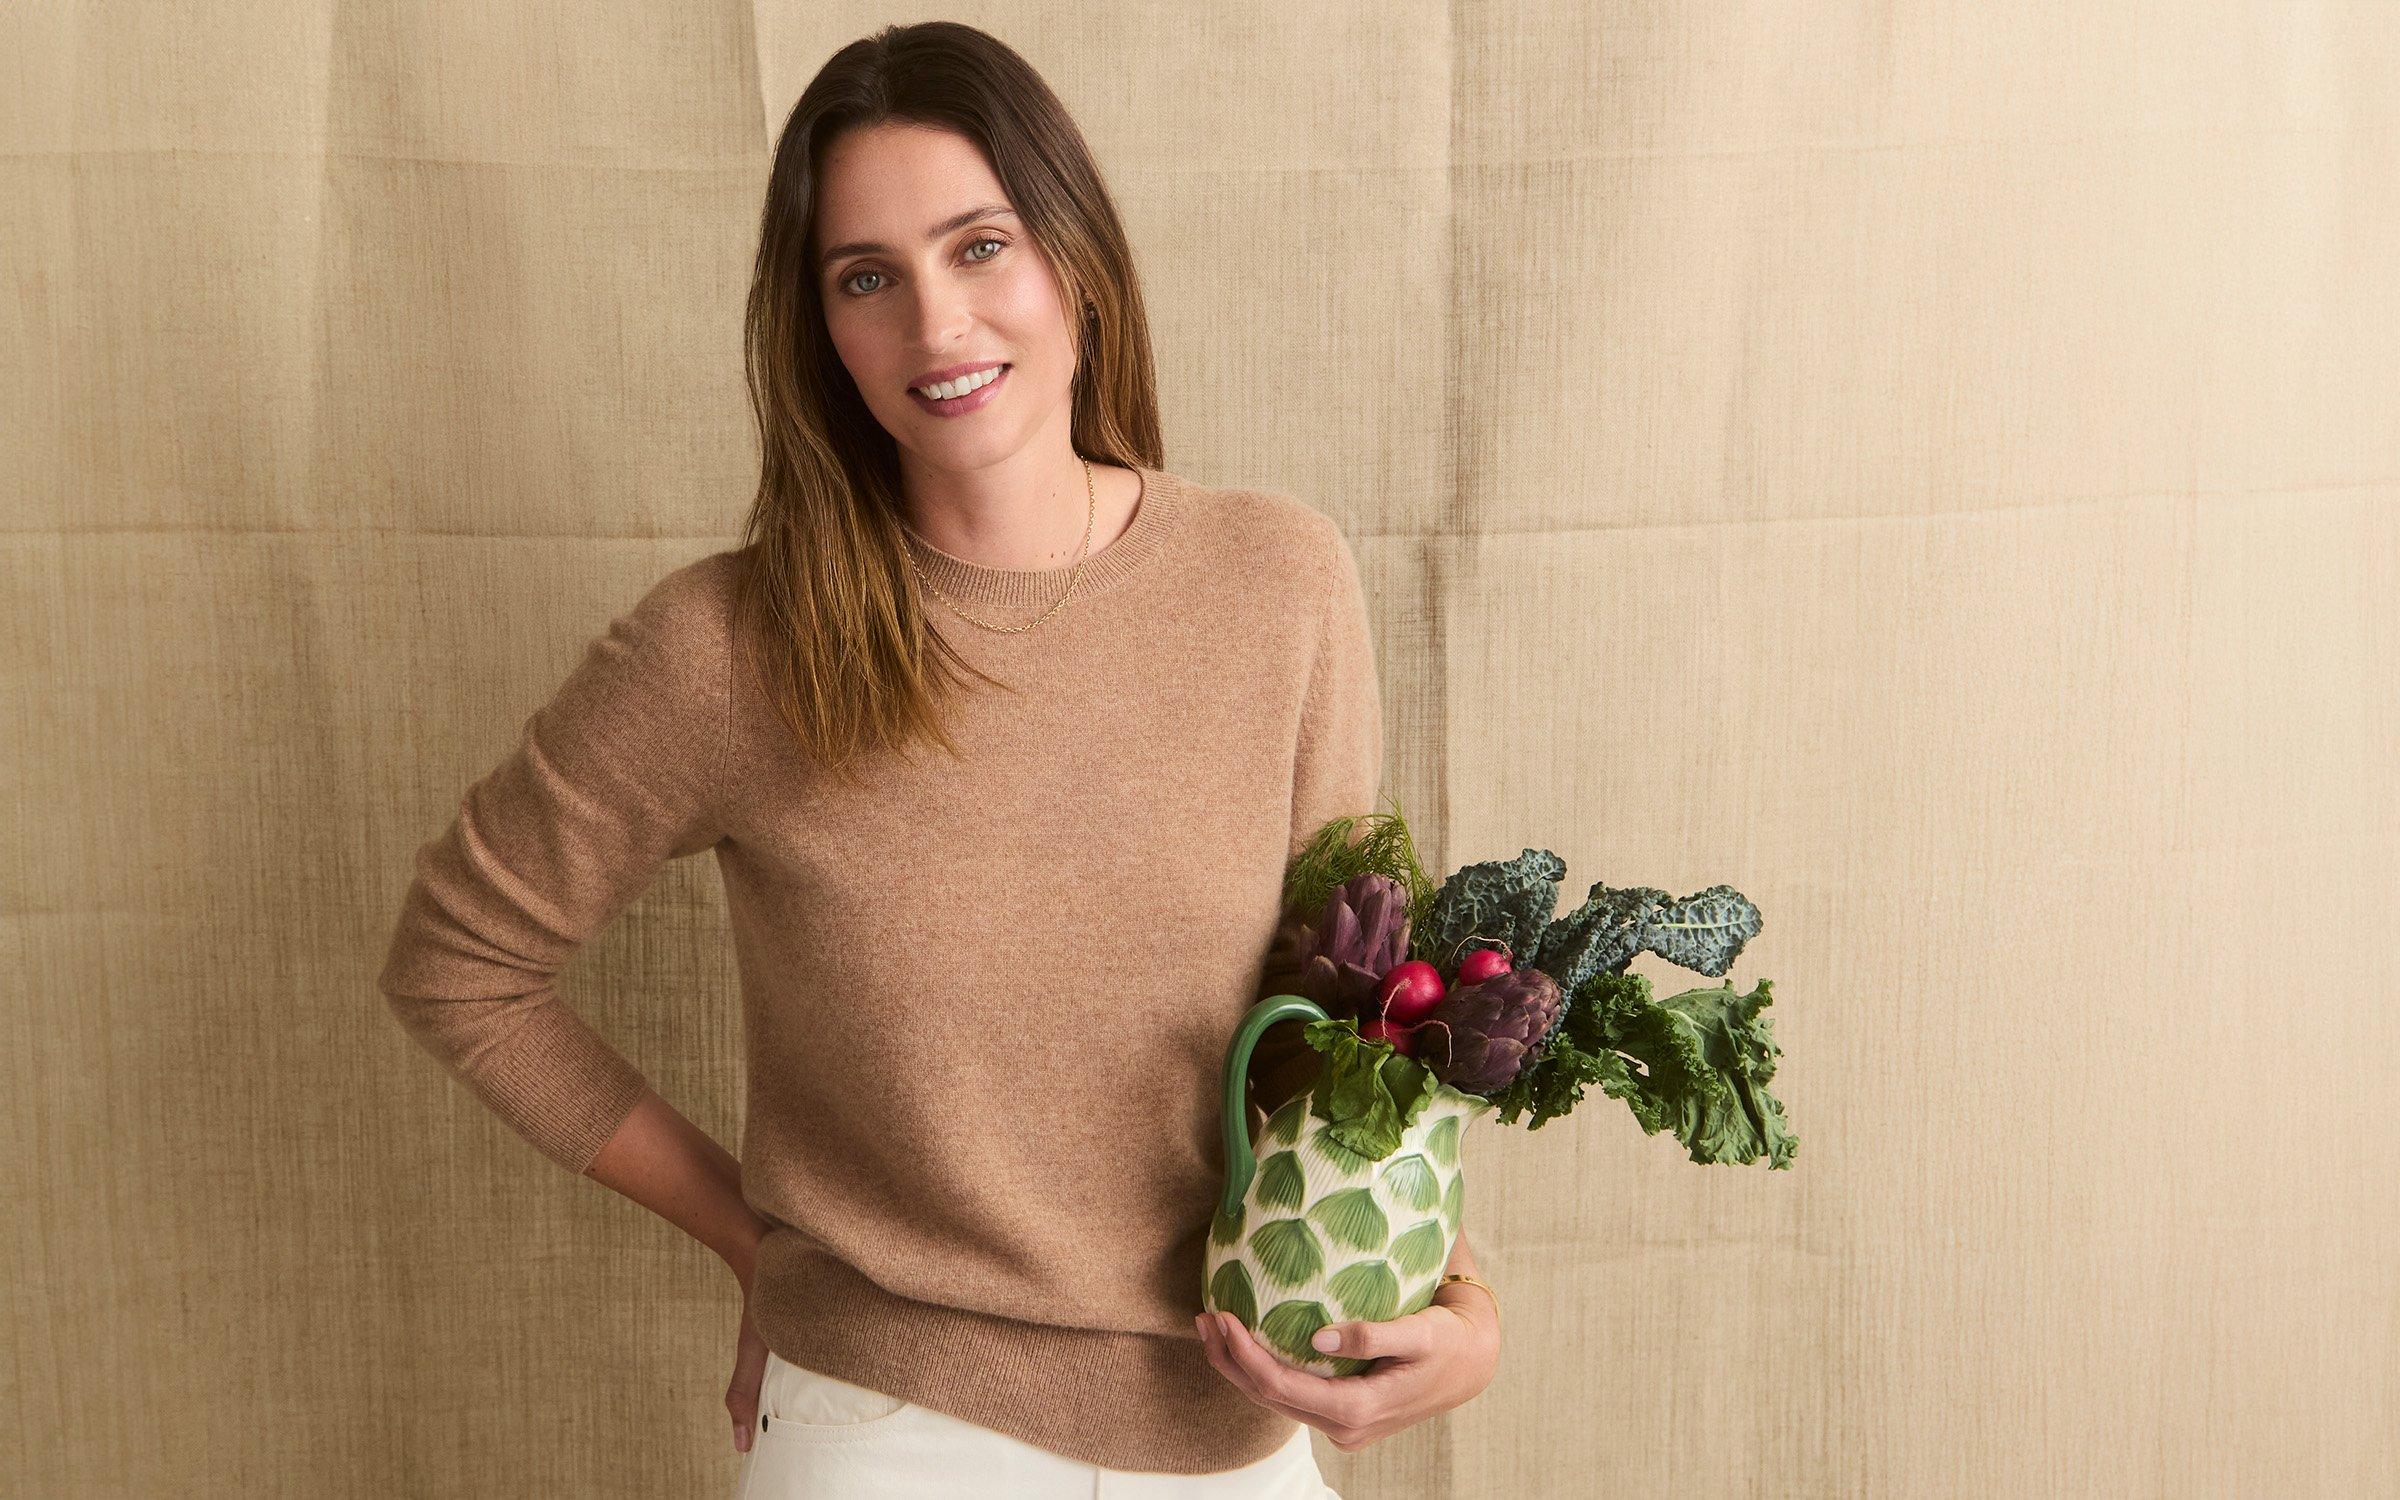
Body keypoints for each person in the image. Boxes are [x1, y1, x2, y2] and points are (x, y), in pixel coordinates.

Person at [376, 21, 1498, 1498]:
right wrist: (754, 1239)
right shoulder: (730, 647)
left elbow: (1348, 1026)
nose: (936, 325)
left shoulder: (1277, 582)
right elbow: (459, 961)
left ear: (1075, 260)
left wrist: (1461, 1305)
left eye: (980, 247)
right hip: (891, 1430)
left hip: (1238, 1430)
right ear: (820, 332)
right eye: (866, 278)